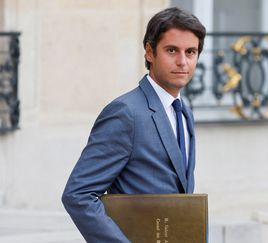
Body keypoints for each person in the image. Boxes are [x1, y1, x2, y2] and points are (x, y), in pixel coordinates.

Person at [62, 7, 206, 243]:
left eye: (190, 52)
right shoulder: (125, 113)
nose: (182, 61)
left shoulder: (184, 113)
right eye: (172, 50)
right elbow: (78, 195)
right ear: (150, 52)